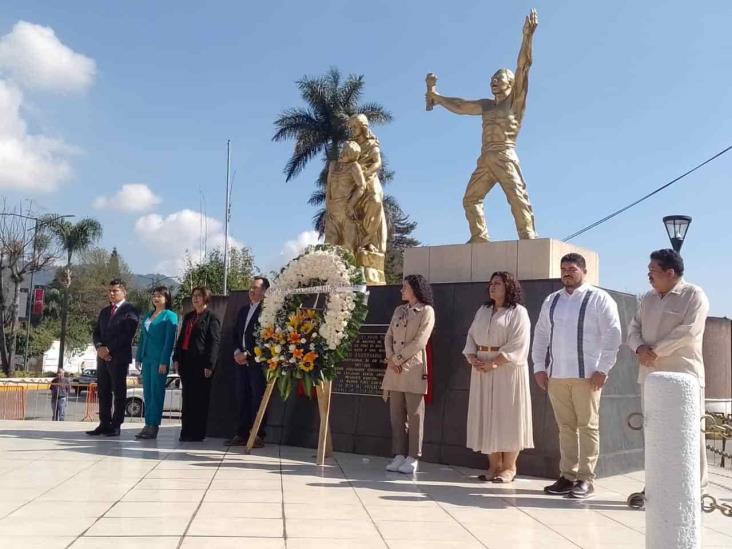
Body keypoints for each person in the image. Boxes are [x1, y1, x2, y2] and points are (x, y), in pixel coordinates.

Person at [426, 10, 538, 242]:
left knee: (517, 196)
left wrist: (527, 37)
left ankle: (527, 235)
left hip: (505, 154)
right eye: (492, 80)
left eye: (498, 79)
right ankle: (480, 236)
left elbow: (524, 66)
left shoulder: (515, 102)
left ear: (510, 83)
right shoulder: (486, 106)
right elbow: (461, 106)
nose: (493, 82)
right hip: (485, 158)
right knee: (470, 199)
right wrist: (436, 97)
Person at [531, 253, 621, 499]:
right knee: (565, 428)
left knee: (588, 427)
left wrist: (603, 369)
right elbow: (541, 334)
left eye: (571, 269)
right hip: (557, 375)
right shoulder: (552, 300)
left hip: (587, 375)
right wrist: (539, 366)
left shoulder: (599, 298)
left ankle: (586, 478)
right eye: (563, 269)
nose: (566, 273)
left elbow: (613, 335)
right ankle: (567, 476)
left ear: (583, 270)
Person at [626, 249, 710, 509]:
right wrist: (640, 348)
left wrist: (656, 351)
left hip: (683, 376)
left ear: (670, 272)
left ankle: (694, 489)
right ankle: (654, 486)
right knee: (653, 432)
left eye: (653, 270)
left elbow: (689, 331)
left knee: (690, 432)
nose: (649, 276)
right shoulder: (648, 299)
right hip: (651, 376)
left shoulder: (694, 295)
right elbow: (633, 328)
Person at [463, 272, 533, 483]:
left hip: (507, 370)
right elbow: (471, 335)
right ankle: (494, 466)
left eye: (497, 283)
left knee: (508, 416)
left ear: (508, 286)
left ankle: (509, 467)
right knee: (487, 414)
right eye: (491, 283)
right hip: (482, 368)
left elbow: (518, 343)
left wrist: (495, 362)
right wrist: (472, 356)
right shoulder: (483, 310)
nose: (492, 287)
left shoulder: (518, 312)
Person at [382, 274, 435, 474]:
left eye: (405, 287)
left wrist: (399, 358)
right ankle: (398, 454)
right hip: (394, 369)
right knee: (396, 415)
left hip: (412, 368)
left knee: (414, 415)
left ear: (415, 289)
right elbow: (388, 336)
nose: (401, 290)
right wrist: (390, 358)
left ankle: (413, 456)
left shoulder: (426, 311)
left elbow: (421, 341)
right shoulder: (398, 310)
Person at [88, 279, 139, 437]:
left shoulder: (130, 311)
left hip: (118, 358)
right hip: (102, 358)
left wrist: (109, 349)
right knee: (103, 391)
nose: (111, 293)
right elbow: (96, 332)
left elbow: (127, 335)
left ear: (124, 292)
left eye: (115, 291)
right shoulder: (104, 311)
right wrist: (99, 347)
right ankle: (104, 423)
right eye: (109, 291)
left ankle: (116, 425)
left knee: (119, 391)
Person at [225, 276, 270, 447]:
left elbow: (265, 338)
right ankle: (241, 433)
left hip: (257, 362)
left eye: (255, 288)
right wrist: (237, 351)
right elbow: (236, 333)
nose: (251, 291)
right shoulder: (244, 310)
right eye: (250, 288)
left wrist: (248, 354)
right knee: (241, 396)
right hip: (240, 361)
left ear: (265, 291)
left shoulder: (268, 311)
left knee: (257, 398)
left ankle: (257, 434)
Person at [173, 286, 221, 442]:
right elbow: (181, 339)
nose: (195, 299)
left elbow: (214, 342)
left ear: (205, 298)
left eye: (199, 296)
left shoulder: (211, 318)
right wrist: (176, 358)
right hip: (186, 362)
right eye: (193, 296)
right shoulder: (188, 317)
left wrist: (210, 365)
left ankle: (197, 432)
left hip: (201, 364)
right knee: (187, 398)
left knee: (200, 399)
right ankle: (186, 431)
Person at [134, 286, 178, 440]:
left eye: (160, 295)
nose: (156, 298)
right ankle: (147, 424)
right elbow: (142, 338)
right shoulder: (148, 314)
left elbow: (169, 341)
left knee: (157, 392)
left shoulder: (170, 316)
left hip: (159, 360)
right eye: (154, 295)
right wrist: (138, 357)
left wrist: (164, 361)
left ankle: (154, 426)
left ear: (166, 298)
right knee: (147, 393)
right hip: (147, 359)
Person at [324, 141, 365, 253]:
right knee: (329, 243)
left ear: (352, 155)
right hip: (332, 209)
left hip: (346, 210)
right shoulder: (333, 165)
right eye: (342, 150)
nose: (341, 154)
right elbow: (328, 187)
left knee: (348, 246)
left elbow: (361, 186)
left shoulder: (354, 166)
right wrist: (327, 204)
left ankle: (347, 269)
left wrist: (351, 204)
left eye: (345, 152)